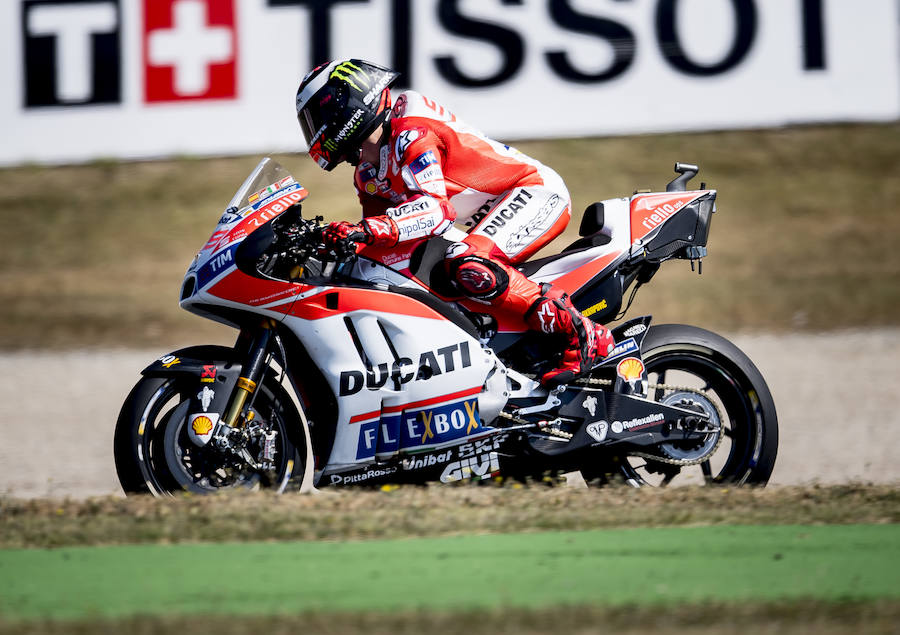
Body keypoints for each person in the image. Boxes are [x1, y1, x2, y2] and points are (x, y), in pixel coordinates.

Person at [295, 59, 614, 386]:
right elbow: (380, 241)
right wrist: (332, 242)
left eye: (317, 117)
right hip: (487, 217)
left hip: (533, 192)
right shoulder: (367, 173)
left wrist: (366, 230)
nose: (315, 130)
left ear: (347, 103)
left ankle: (582, 332)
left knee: (468, 264)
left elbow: (436, 211)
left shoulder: (410, 130)